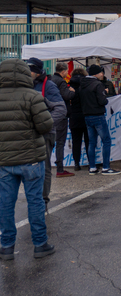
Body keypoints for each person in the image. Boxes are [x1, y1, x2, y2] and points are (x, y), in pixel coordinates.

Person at [0, 58, 56, 260]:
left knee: (5, 203)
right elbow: (45, 126)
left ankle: (6, 246)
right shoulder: (32, 96)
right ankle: (40, 244)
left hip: (4, 161)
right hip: (31, 158)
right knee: (35, 201)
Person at [27, 57, 67, 208]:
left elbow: (61, 109)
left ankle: (43, 199)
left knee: (43, 167)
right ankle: (34, 199)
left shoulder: (48, 86)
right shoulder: (26, 85)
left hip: (45, 133)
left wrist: (44, 124)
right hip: (28, 134)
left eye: (30, 70)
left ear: (37, 72)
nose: (27, 72)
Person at [79, 64, 121, 175]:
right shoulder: (98, 84)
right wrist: (105, 94)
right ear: (96, 74)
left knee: (91, 142)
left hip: (87, 116)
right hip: (98, 115)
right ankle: (106, 168)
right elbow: (102, 101)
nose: (102, 74)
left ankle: (92, 167)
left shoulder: (82, 84)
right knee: (106, 140)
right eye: (101, 72)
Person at [51, 62, 76, 178]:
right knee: (60, 143)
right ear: (63, 71)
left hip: (51, 114)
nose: (68, 73)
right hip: (61, 115)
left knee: (50, 142)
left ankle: (47, 166)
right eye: (67, 71)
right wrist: (72, 91)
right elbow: (67, 96)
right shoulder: (61, 81)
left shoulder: (50, 79)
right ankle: (60, 169)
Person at [69, 68, 90, 171]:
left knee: (76, 142)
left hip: (74, 117)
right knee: (88, 141)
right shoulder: (87, 85)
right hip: (86, 115)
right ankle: (91, 163)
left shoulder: (70, 86)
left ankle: (77, 164)